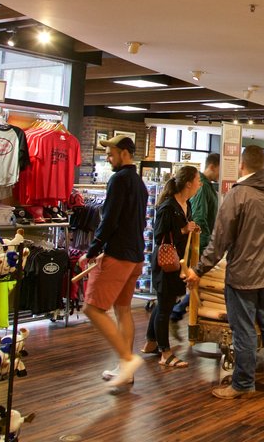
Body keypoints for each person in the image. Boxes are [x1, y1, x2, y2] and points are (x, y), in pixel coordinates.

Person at [184, 145, 264, 399]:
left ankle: (243, 383)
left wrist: (199, 269)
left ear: (242, 166)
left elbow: (220, 239)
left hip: (243, 275)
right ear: (263, 165)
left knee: (243, 329)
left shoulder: (238, 195)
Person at [83, 135, 149, 394]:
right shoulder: (140, 184)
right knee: (123, 310)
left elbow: (109, 219)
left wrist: (93, 249)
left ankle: (128, 359)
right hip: (135, 256)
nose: (108, 159)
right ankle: (126, 369)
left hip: (119, 255)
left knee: (92, 309)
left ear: (124, 153)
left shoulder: (119, 180)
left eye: (110, 154)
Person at [144, 165, 201, 368]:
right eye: (197, 180)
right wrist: (184, 230)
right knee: (165, 306)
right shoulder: (168, 207)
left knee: (164, 302)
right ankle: (165, 352)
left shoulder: (187, 204)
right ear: (188, 183)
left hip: (178, 262)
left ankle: (151, 341)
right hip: (165, 262)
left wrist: (191, 228)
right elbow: (160, 236)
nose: (200, 184)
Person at [171, 153, 220, 322]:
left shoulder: (208, 187)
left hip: (207, 242)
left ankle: (179, 311)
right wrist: (206, 244)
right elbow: (199, 217)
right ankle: (177, 311)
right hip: (204, 243)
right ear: (212, 166)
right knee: (199, 281)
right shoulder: (203, 187)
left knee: (201, 282)